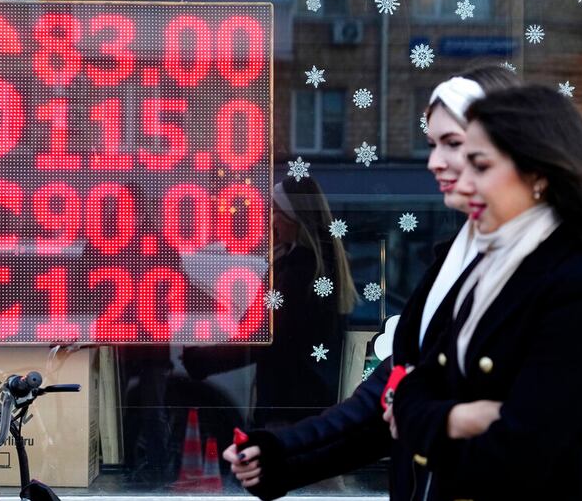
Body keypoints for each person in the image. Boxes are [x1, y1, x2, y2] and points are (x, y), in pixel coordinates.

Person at [222, 64, 520, 501]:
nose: (434, 162)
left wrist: (427, 416)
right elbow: (382, 400)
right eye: (433, 144)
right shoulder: (454, 261)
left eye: (452, 144)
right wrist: (282, 457)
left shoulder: (561, 267)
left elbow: (551, 422)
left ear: (510, 143)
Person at [393, 85, 582, 501]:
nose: (464, 182)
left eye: (480, 166)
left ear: (538, 173)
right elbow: (414, 388)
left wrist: (432, 424)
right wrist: (461, 418)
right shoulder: (489, 267)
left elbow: (516, 453)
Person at [183, 174, 357, 428]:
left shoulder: (297, 273)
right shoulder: (318, 267)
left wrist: (202, 360)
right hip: (311, 401)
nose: (270, 219)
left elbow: (264, 338)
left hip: (288, 405)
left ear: (293, 216)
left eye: (275, 211)